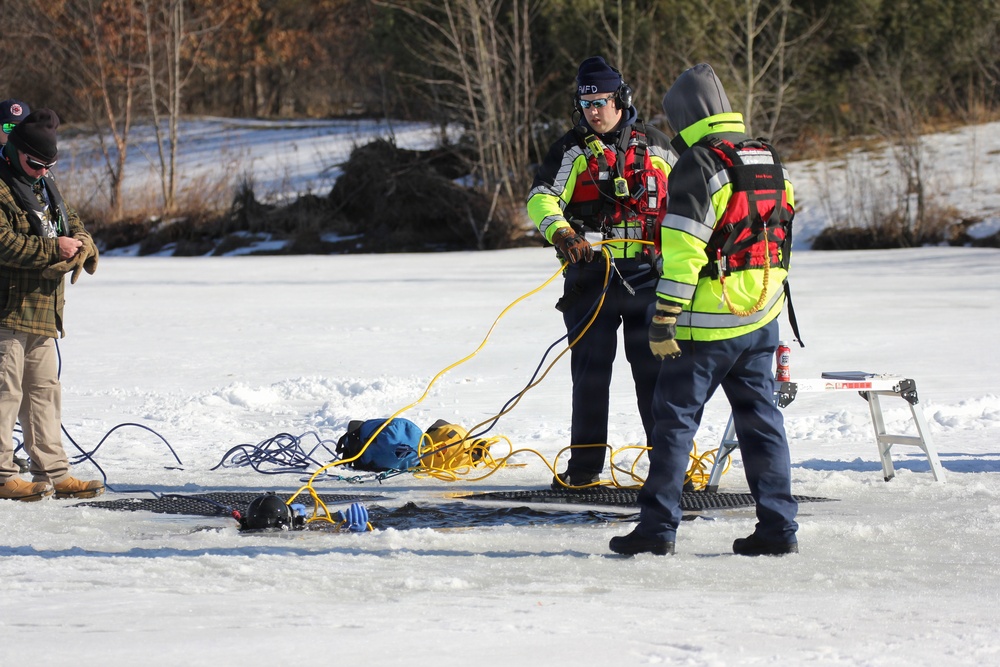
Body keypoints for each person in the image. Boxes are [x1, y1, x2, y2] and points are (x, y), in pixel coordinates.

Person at [609, 63, 798, 556]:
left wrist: (664, 318)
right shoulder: (767, 157)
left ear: (684, 119)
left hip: (704, 327)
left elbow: (685, 250)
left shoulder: (699, 163)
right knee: (761, 423)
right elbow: (780, 232)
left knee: (672, 425)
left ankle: (656, 530)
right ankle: (778, 529)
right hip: (761, 317)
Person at [527, 57, 675, 489]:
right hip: (592, 276)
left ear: (621, 100)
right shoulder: (570, 150)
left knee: (655, 377)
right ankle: (585, 470)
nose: (594, 111)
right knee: (590, 376)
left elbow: (687, 202)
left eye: (602, 102)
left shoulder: (660, 147)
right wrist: (563, 235)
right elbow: (541, 198)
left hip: (649, 278)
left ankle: (667, 469)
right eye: (586, 103)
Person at [0, 108, 103, 501]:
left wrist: (83, 241)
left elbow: (68, 218)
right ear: (14, 150)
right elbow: (3, 241)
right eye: (35, 163)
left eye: (49, 165)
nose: (42, 171)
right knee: (4, 392)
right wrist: (52, 248)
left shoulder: (44, 184)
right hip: (5, 310)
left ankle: (54, 473)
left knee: (44, 392)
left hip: (41, 310)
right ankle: (2, 474)